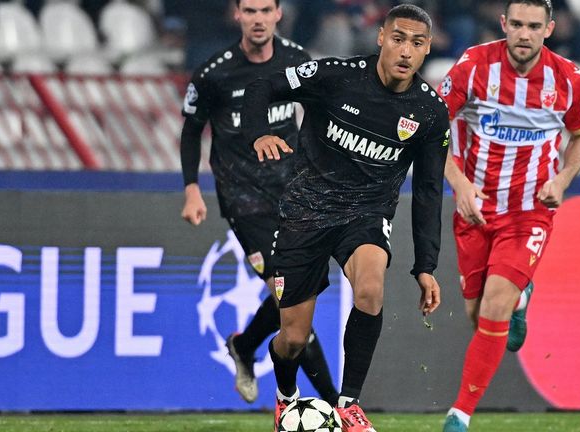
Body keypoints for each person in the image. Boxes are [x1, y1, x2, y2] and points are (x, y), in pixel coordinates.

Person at [241, 4, 450, 431]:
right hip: (305, 212)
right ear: (380, 38)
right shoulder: (336, 76)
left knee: (370, 289)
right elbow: (262, 84)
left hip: (366, 214)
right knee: (294, 340)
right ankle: (286, 397)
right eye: (397, 39)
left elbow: (428, 192)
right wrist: (258, 132)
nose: (405, 51)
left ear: (427, 48)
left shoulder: (429, 113)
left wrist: (425, 265)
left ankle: (348, 403)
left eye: (416, 42)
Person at [437, 1, 580, 431]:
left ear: (550, 29)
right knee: (478, 317)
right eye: (518, 25)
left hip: (530, 214)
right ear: (504, 24)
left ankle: (459, 416)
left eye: (534, 26)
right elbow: (431, 130)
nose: (524, 34)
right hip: (475, 211)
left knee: (494, 308)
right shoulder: (472, 67)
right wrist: (460, 184)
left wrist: (561, 181)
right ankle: (522, 297)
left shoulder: (569, 79)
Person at [179, 0, 338, 407]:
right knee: (291, 298)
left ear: (279, 14)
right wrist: (191, 188)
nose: (258, 19)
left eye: (265, 9)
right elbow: (191, 130)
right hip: (243, 198)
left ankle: (245, 346)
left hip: (292, 192)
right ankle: (337, 405)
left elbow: (320, 116)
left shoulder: (296, 61)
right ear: (237, 15)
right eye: (249, 10)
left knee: (298, 293)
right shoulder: (216, 73)